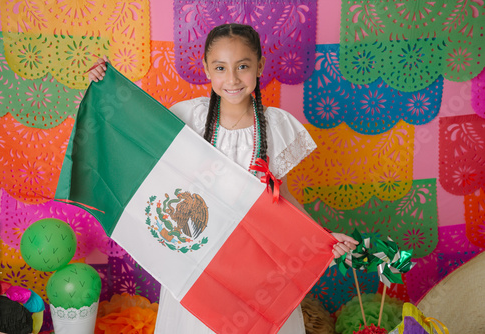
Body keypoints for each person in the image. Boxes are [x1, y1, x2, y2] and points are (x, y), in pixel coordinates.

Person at [89, 23, 358, 333]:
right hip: (197, 261)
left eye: (242, 66)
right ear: (206, 68)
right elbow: (136, 134)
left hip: (256, 265)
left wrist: (321, 238)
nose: (232, 79)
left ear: (260, 66)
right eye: (220, 67)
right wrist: (105, 84)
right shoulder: (190, 117)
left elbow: (281, 198)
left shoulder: (276, 125)